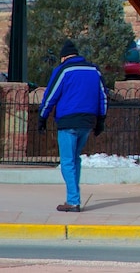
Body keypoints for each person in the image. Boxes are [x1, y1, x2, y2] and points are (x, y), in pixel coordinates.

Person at [37, 39, 108, 213]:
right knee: (75, 159)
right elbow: (103, 97)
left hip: (68, 121)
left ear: (63, 57)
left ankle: (73, 200)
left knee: (67, 161)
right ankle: (73, 196)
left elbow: (51, 95)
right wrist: (101, 120)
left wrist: (42, 117)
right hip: (87, 122)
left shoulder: (64, 70)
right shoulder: (94, 70)